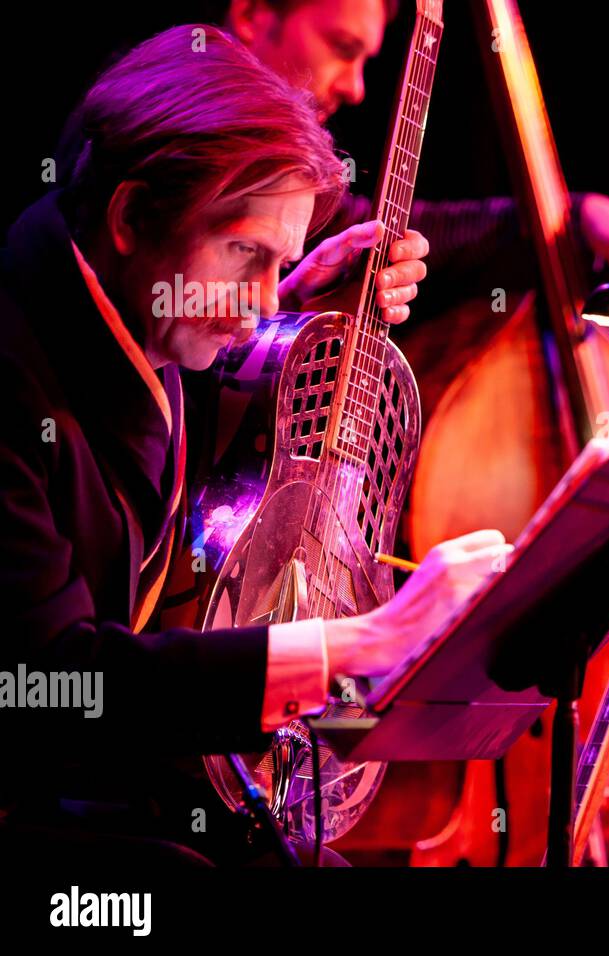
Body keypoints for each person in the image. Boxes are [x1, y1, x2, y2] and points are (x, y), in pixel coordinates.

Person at [0, 25, 509, 865]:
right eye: (245, 254)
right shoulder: (10, 373)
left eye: (282, 265)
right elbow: (57, 684)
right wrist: (369, 644)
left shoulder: (119, 305)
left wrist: (295, 305)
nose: (256, 306)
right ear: (130, 215)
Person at [221, 0, 609, 307]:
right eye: (343, 47)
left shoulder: (290, 189)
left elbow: (381, 227)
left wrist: (572, 217)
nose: (356, 87)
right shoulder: (178, 152)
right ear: (252, 15)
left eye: (366, 61)